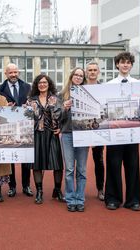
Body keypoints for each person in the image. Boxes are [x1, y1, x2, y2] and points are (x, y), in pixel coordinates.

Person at [104, 52, 140, 211]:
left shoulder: (139, 84)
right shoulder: (108, 85)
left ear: (131, 65)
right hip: (115, 132)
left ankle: (133, 200)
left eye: (128, 62)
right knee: (113, 165)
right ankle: (113, 199)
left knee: (133, 165)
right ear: (117, 64)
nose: (125, 65)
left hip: (133, 133)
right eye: (122, 62)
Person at [27, 73, 64, 204]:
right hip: (37, 134)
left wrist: (61, 127)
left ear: (49, 85)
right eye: (40, 83)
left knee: (58, 164)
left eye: (45, 83)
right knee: (37, 164)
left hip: (52, 134)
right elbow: (25, 116)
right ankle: (39, 191)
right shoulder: (31, 100)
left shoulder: (56, 98)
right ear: (37, 85)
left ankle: (58, 190)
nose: (42, 85)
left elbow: (63, 114)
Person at [0, 63, 33, 197]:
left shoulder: (27, 87)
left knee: (26, 157)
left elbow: (32, 102)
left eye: (15, 72)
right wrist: (5, 106)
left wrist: (28, 105)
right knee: (10, 157)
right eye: (11, 73)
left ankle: (26, 185)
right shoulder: (0, 89)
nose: (13, 75)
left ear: (19, 73)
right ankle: (12, 186)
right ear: (6, 74)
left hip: (25, 126)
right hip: (10, 126)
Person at [59, 67, 89, 212]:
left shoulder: (88, 93)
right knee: (70, 169)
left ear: (84, 79)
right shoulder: (63, 94)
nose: (78, 77)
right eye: (76, 75)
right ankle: (70, 199)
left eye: (81, 76)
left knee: (82, 170)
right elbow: (58, 119)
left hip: (83, 135)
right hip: (68, 135)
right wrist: (64, 108)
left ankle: (80, 199)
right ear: (71, 77)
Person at [85, 62, 105, 201]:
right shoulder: (79, 87)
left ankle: (100, 189)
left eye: (94, 70)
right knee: (79, 161)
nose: (92, 72)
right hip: (82, 129)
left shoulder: (103, 88)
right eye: (90, 70)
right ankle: (78, 190)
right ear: (86, 72)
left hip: (98, 129)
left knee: (98, 160)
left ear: (98, 72)